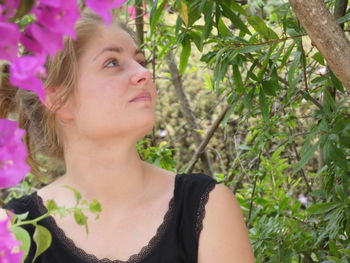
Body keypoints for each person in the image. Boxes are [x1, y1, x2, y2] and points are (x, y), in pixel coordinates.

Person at [1, 9, 255, 263]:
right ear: (58, 100)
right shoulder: (15, 231)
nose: (144, 73)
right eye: (112, 63)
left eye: (141, 61)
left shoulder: (206, 207)